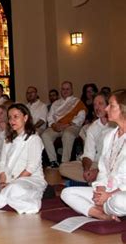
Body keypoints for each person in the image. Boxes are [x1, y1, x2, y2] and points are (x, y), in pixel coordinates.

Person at [61, 90, 126, 221]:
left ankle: (105, 207)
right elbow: (102, 168)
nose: (107, 108)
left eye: (111, 105)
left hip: (120, 193)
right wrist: (100, 189)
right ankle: (102, 214)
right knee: (67, 193)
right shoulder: (110, 136)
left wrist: (110, 194)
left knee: (119, 201)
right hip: (107, 190)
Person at [59, 92, 111, 184]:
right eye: (95, 104)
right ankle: (93, 179)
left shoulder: (116, 126)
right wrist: (86, 170)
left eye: (100, 104)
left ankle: (94, 180)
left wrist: (98, 171)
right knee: (63, 167)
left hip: (111, 165)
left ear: (109, 105)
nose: (97, 107)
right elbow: (88, 154)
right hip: (95, 164)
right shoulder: (92, 127)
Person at [42, 81, 86, 168]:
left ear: (72, 90)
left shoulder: (77, 102)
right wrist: (54, 125)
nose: (65, 91)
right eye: (63, 89)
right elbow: (50, 117)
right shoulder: (56, 103)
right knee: (45, 135)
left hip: (72, 126)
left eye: (67, 89)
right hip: (57, 126)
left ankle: (64, 162)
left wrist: (67, 125)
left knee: (67, 134)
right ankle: (53, 161)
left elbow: (81, 117)